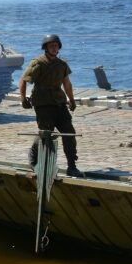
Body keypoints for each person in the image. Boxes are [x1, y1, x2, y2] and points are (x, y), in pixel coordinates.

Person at [19, 34, 84, 177]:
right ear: (46, 48)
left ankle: (72, 166)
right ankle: (34, 158)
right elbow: (24, 80)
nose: (54, 48)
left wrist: (71, 100)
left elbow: (67, 83)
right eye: (51, 46)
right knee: (46, 133)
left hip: (59, 102)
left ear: (59, 47)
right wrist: (23, 98)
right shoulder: (39, 63)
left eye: (56, 46)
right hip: (43, 103)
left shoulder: (62, 65)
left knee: (69, 133)